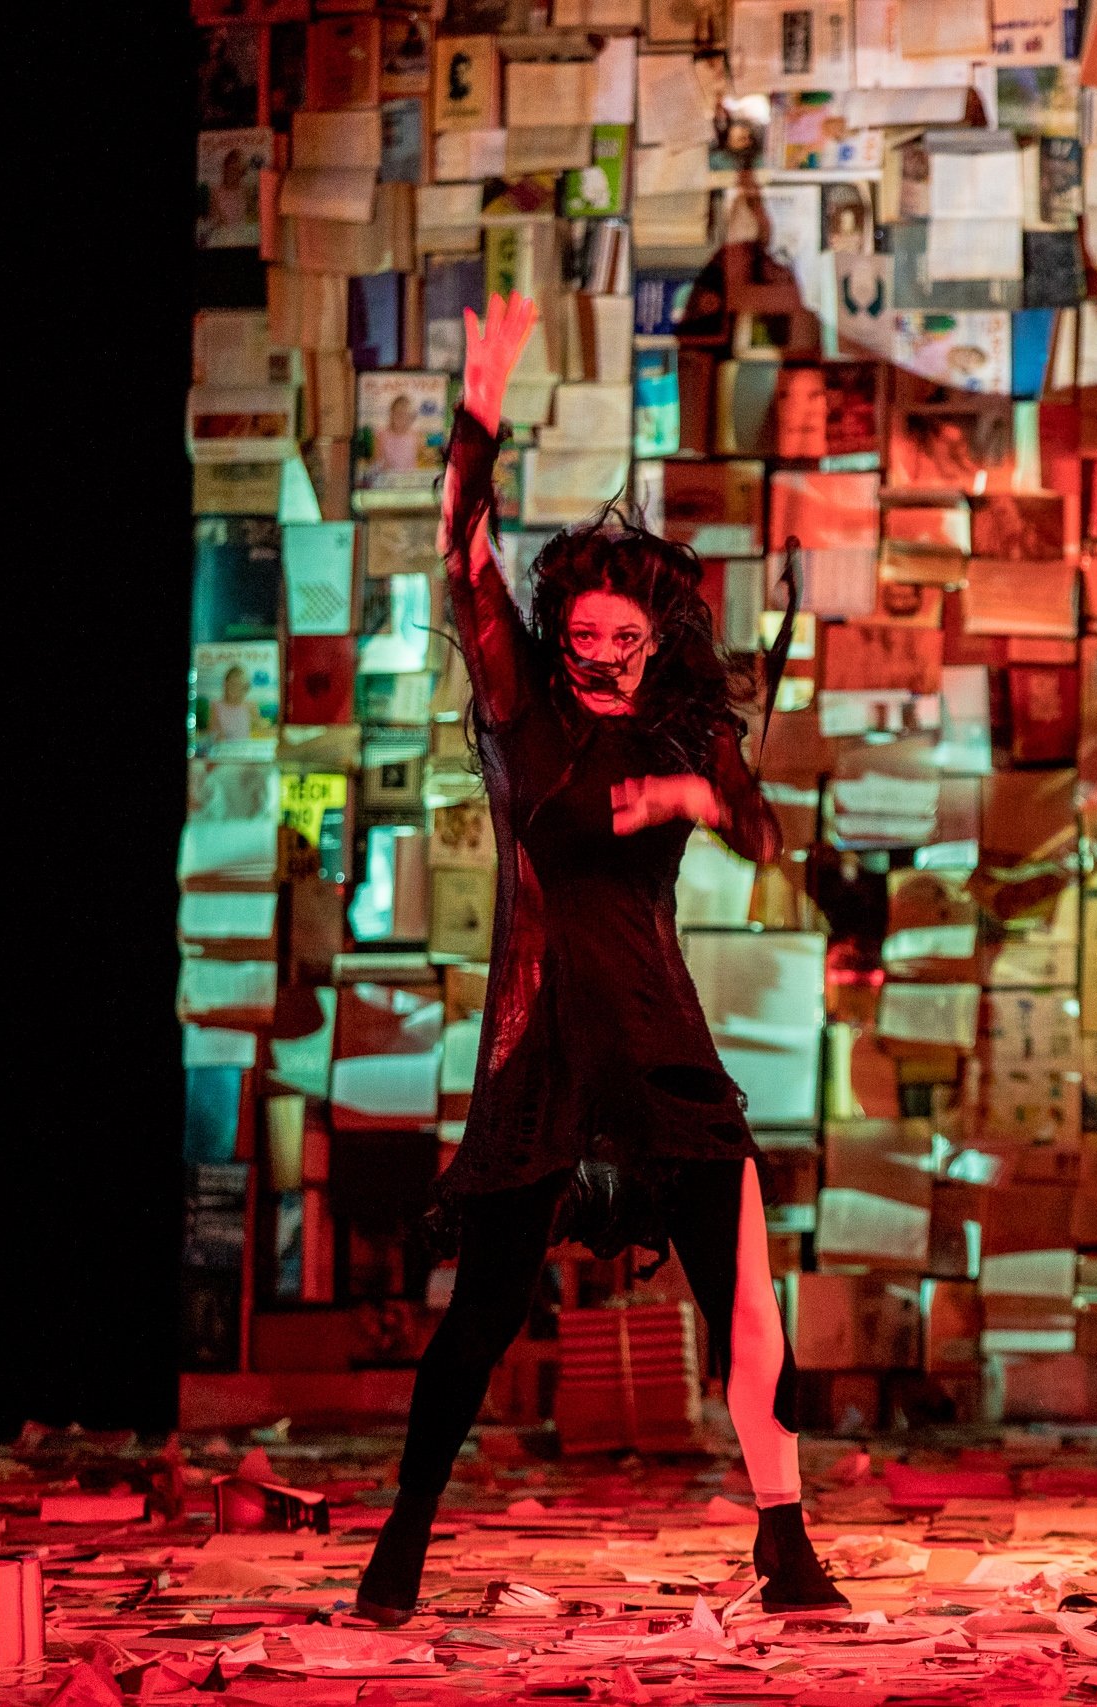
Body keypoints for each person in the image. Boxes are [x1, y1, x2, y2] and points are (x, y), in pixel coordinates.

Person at [355, 290, 846, 1625]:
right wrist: (480, 404)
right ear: (558, 635)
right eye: (582, 643)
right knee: (480, 1320)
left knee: (746, 1291)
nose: (602, 662)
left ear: (653, 638)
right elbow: (464, 556)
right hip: (544, 1047)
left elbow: (759, 826)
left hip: (656, 1041)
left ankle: (786, 1540)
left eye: (623, 644)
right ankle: (402, 1537)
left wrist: (691, 796)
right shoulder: (519, 708)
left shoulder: (686, 725)